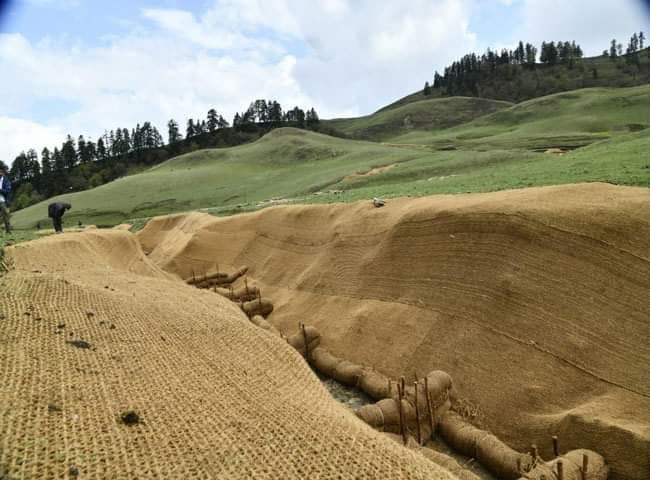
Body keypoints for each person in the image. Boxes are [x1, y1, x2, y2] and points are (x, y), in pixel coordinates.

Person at [0, 167, 12, 234]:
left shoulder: (6, 180)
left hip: (3, 201)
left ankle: (8, 231)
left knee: (5, 216)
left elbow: (8, 191)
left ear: (2, 173)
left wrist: (0, 190)